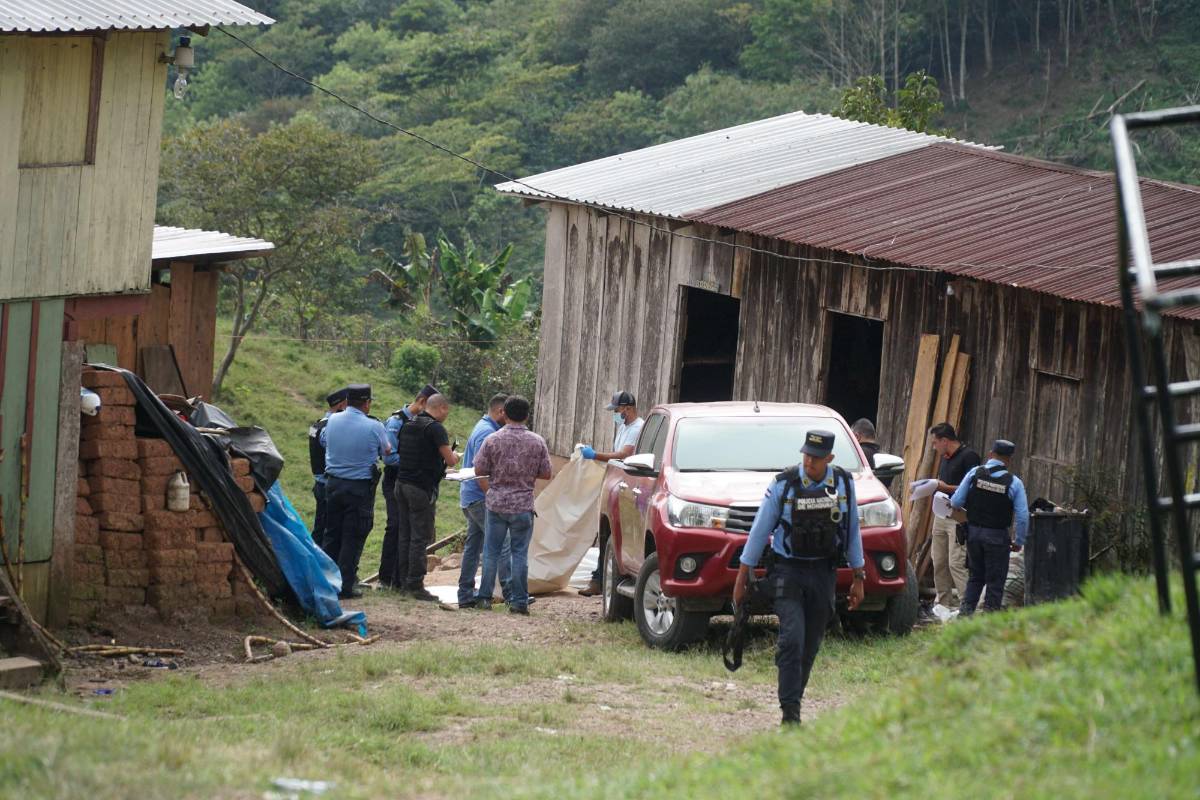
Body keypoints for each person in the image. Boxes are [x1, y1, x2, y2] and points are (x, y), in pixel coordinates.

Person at [733, 430, 865, 726]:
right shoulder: (785, 484)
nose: (809, 462)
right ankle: (790, 713)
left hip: (823, 574)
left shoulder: (843, 483)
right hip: (788, 572)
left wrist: (859, 576)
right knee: (791, 639)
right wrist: (743, 574)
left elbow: (852, 530)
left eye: (816, 458)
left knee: (810, 644)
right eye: (806, 455)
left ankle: (794, 697)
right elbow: (760, 529)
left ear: (829, 458)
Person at [472, 395, 553, 614]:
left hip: (496, 504)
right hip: (522, 506)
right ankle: (519, 601)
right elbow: (546, 473)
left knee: (490, 552)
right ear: (527, 416)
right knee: (519, 554)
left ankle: (484, 598)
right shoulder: (537, 441)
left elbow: (478, 469)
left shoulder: (492, 439)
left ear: (505, 414)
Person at [320, 383, 389, 599]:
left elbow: (323, 440)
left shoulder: (331, 421)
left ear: (346, 402)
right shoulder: (374, 426)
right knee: (352, 536)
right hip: (358, 489)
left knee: (332, 534)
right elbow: (387, 451)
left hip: (332, 485)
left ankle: (327, 582)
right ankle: (346, 585)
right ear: (366, 404)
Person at [950, 439, 1029, 615]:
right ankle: (989, 619)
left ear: (990, 454)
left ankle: (965, 615)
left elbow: (955, 501)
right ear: (1009, 459)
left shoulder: (974, 473)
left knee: (976, 577)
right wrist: (1019, 540)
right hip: (997, 538)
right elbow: (1023, 516)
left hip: (973, 535)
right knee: (995, 581)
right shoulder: (1014, 482)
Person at [578, 390, 645, 596]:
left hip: (631, 486)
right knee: (608, 532)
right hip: (618, 483)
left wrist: (595, 455)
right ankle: (600, 577)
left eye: (617, 410)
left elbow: (624, 455)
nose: (615, 414)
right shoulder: (624, 427)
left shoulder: (637, 428)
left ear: (627, 408)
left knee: (618, 533)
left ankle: (602, 578)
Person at [393, 393, 459, 600]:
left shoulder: (408, 423)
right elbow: (450, 459)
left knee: (405, 535)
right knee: (420, 538)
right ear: (441, 408)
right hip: (420, 489)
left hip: (401, 484)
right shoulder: (435, 428)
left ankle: (402, 582)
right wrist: (456, 456)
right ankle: (415, 585)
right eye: (446, 411)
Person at [379, 384, 439, 589]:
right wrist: (413, 464)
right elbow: (388, 457)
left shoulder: (420, 423)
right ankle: (387, 577)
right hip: (397, 480)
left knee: (411, 531)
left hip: (413, 481)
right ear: (422, 402)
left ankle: (401, 578)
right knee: (396, 526)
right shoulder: (396, 421)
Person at [457, 393, 514, 608]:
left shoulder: (484, 427)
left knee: (473, 547)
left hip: (472, 497)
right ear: (501, 412)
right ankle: (511, 595)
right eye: (508, 415)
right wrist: (493, 497)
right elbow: (481, 472)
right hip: (480, 497)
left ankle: (465, 595)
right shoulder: (487, 433)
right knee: (503, 543)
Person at [927, 423, 981, 610]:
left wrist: (944, 487)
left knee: (956, 563)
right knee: (938, 560)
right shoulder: (945, 458)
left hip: (958, 516)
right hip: (941, 513)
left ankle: (968, 605)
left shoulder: (969, 457)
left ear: (945, 440)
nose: (934, 448)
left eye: (935, 443)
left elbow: (973, 488)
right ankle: (943, 603)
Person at [308, 387, 347, 549]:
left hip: (320, 482)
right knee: (328, 530)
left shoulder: (317, 424)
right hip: (328, 484)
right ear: (341, 405)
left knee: (321, 526)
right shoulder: (330, 427)